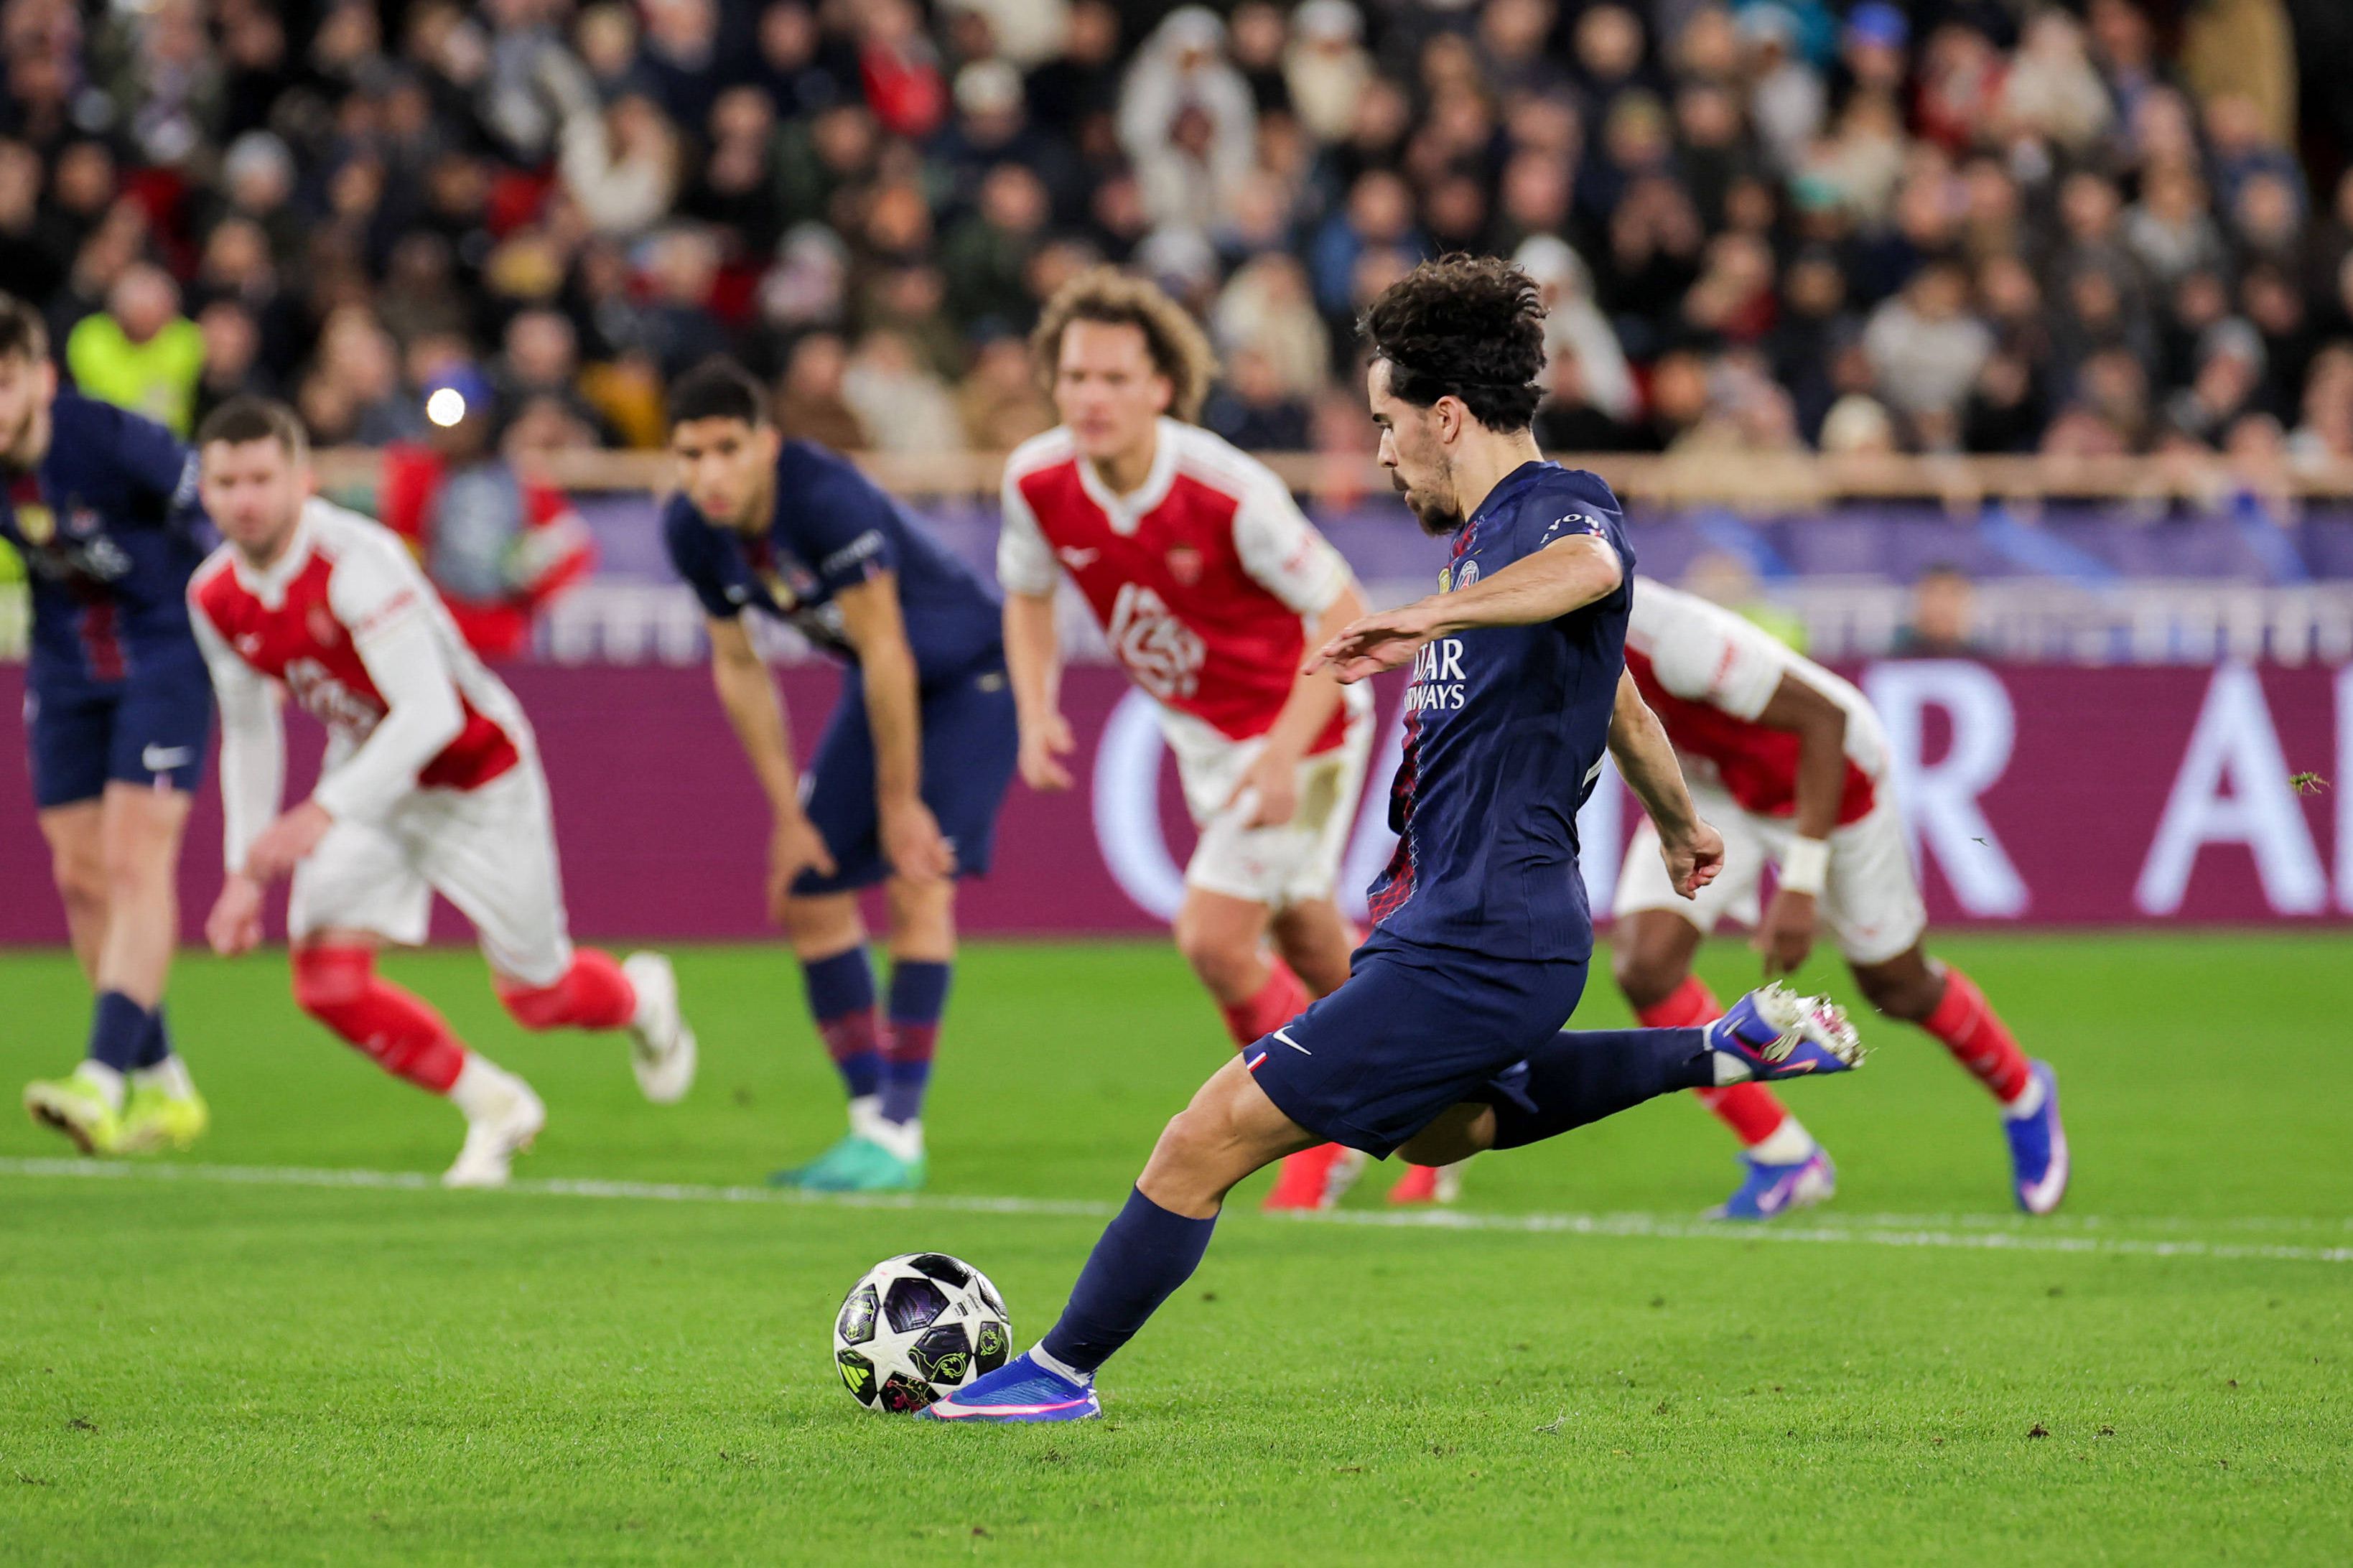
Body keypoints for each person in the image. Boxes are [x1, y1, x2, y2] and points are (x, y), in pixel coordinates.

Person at [922, 257, 1868, 1423]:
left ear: (1448, 418)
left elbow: (1595, 570)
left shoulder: (1547, 510)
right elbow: (1615, 692)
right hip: (1469, 924)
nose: (1378, 449)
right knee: (1450, 1117)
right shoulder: (1482, 549)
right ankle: (1722, 1047)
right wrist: (1678, 822)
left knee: (1201, 1135)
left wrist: (1427, 612)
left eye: (1387, 423)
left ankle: (1056, 1374)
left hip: (1485, 931)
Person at [1001, 266, 1449, 1211]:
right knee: (1314, 946)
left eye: (1115, 378)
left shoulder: (1220, 486)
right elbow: (1029, 594)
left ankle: (1320, 1133)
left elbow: (1340, 608)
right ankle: (1435, 1110)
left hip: (1305, 719)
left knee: (1211, 936)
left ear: (1161, 386)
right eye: (1076, 377)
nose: (1091, 397)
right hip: (1208, 739)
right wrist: (1037, 710)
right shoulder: (1035, 481)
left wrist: (1286, 754)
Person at [186, 398, 696, 1188]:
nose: (245, 499)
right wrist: (244, 874)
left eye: (261, 478)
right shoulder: (214, 595)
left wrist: (322, 812)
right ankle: (495, 1105)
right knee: (325, 981)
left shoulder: (358, 562)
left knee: (539, 997)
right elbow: (251, 728)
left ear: (302, 478)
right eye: (226, 482)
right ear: (205, 490)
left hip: (475, 774)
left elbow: (428, 715)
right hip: (374, 782)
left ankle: (638, 1000)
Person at [663, 360, 1018, 1193]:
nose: (709, 473)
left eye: (725, 449)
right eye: (690, 455)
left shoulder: (826, 499)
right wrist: (789, 811)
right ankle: (867, 1124)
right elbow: (739, 668)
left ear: (765, 446)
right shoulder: (691, 529)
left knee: (915, 878)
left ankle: (900, 1131)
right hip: (882, 680)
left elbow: (889, 647)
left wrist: (898, 805)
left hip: (968, 676)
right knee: (807, 886)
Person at [1610, 576, 2067, 1219]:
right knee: (1644, 965)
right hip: (1715, 787)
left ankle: (2023, 1094)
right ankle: (1784, 1156)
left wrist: (1798, 888)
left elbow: (1824, 722)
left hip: (1830, 776)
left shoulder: (1670, 634)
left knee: (1896, 986)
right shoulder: (1547, 635)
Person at [4, 293, 213, 1157]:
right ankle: (168, 1089)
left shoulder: (111, 436)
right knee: (81, 878)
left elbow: (212, 516)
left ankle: (99, 1078)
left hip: (163, 654)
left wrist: (245, 639)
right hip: (63, 664)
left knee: (135, 864)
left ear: (40, 380)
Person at [376, 365, 596, 663]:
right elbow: (400, 542)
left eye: (458, 417)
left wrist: (534, 572)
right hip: (435, 628)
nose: (445, 429)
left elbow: (573, 541)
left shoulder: (520, 479)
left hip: (501, 632)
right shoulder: (417, 472)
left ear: (482, 420)